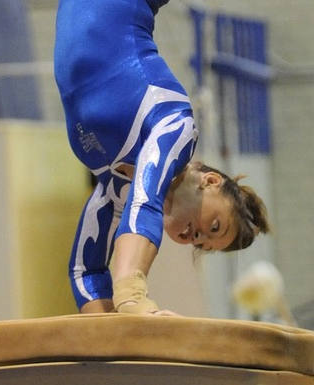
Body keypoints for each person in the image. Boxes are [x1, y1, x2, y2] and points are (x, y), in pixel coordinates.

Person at [54, 0, 270, 315]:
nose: (196, 235)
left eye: (200, 243)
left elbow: (84, 269)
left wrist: (105, 334)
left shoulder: (115, 190)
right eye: (213, 226)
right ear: (211, 181)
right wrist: (130, 295)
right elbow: (147, 199)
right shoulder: (175, 127)